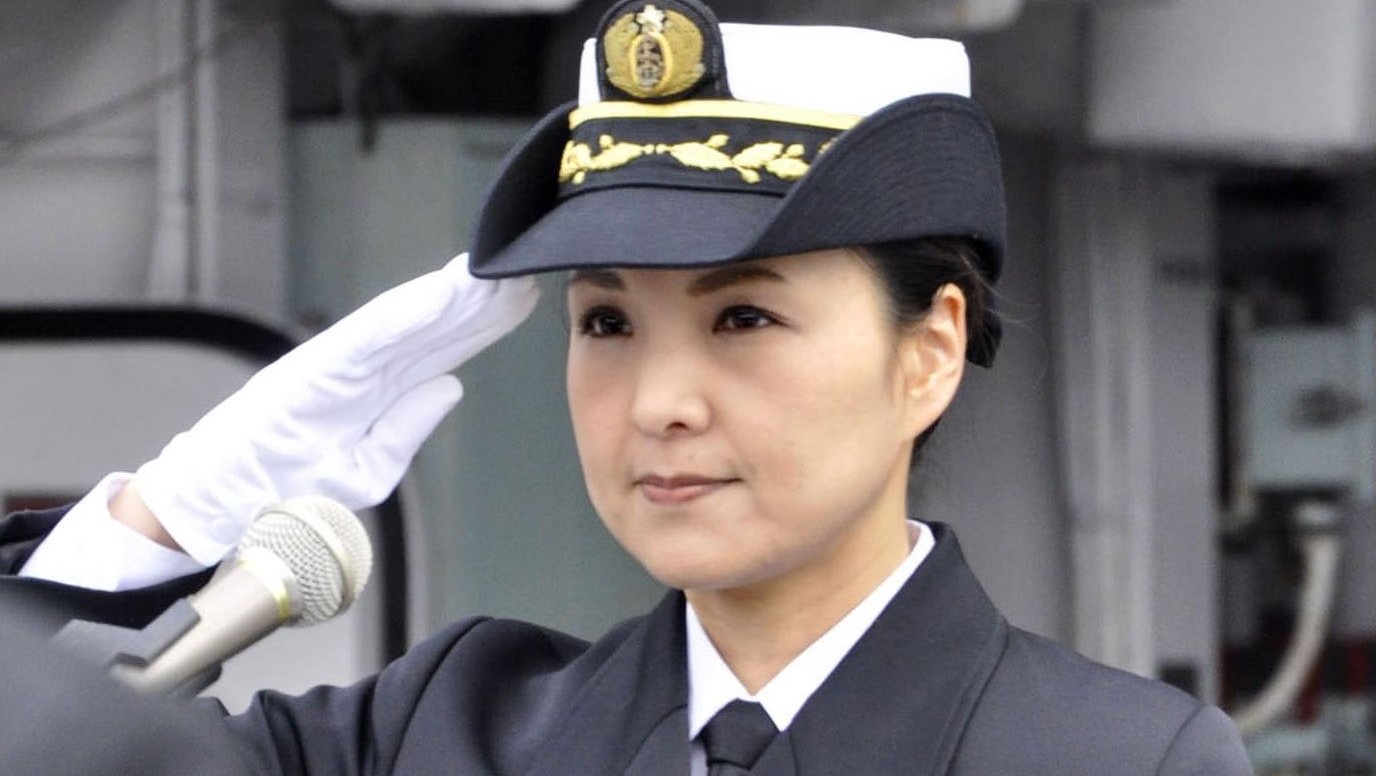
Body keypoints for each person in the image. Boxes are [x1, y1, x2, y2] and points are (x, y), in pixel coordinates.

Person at [0, 0, 1252, 773]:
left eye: (745, 316)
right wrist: (147, 531)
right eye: (606, 319)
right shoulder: (443, 730)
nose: (658, 399)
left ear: (927, 351)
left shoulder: (1118, 759)